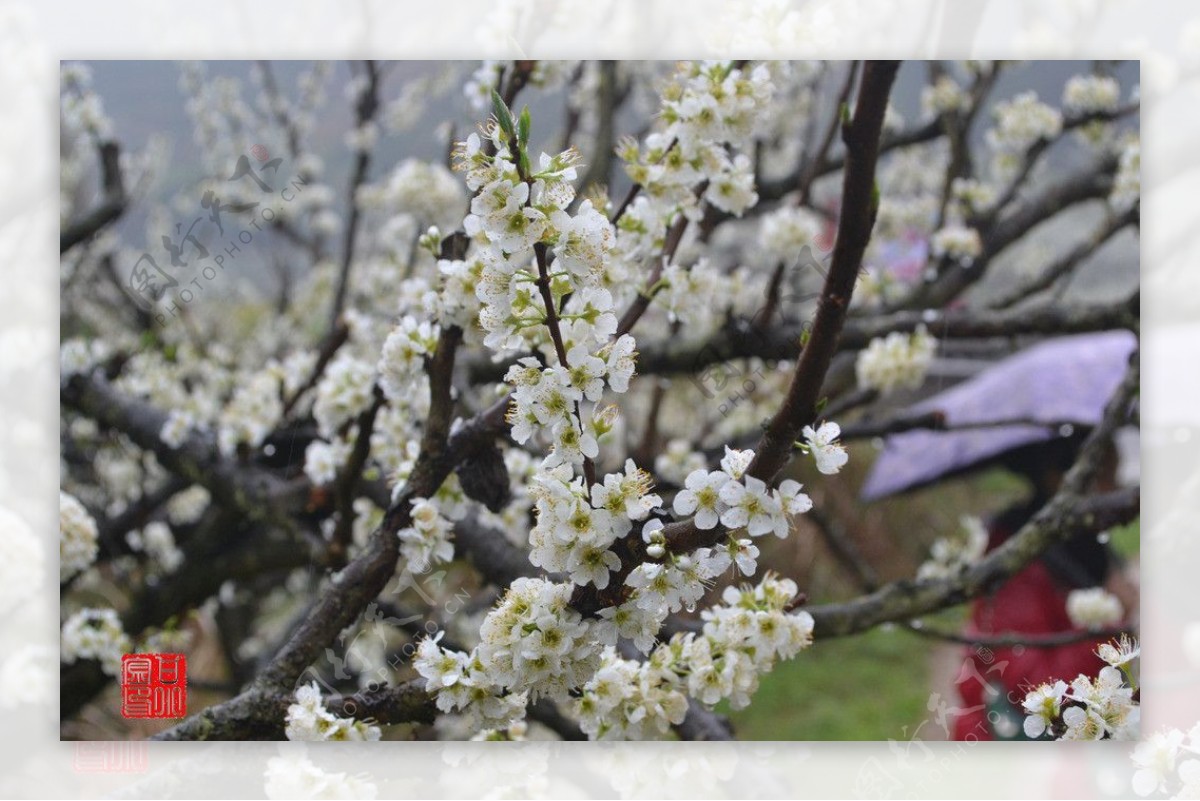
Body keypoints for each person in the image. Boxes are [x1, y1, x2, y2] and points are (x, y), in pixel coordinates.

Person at [949, 433, 1135, 740]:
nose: (1115, 490)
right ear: (1058, 479)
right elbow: (1035, 690)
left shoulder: (1082, 545)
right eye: (1104, 476)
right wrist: (1109, 621)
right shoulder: (1016, 564)